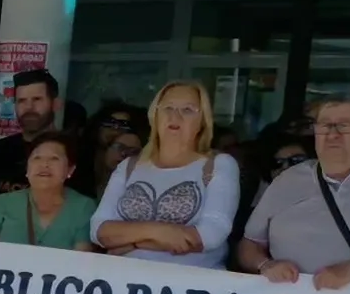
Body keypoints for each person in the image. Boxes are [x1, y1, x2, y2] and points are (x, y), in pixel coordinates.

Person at [237, 93, 350, 289]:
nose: (332, 135)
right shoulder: (287, 179)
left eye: (345, 125)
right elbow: (249, 244)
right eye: (324, 125)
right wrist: (266, 265)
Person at [90, 80, 241, 269]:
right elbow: (99, 229)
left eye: (187, 110)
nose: (175, 116)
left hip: (191, 287)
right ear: (155, 115)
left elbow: (210, 234)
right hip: (125, 284)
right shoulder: (130, 166)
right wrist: (160, 232)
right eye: (168, 108)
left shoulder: (218, 164)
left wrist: (132, 242)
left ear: (202, 121)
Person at [0, 132, 99, 251]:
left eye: (54, 158)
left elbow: (82, 259)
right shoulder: (3, 203)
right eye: (37, 158)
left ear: (70, 170)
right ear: (27, 168)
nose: (44, 164)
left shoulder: (84, 207)